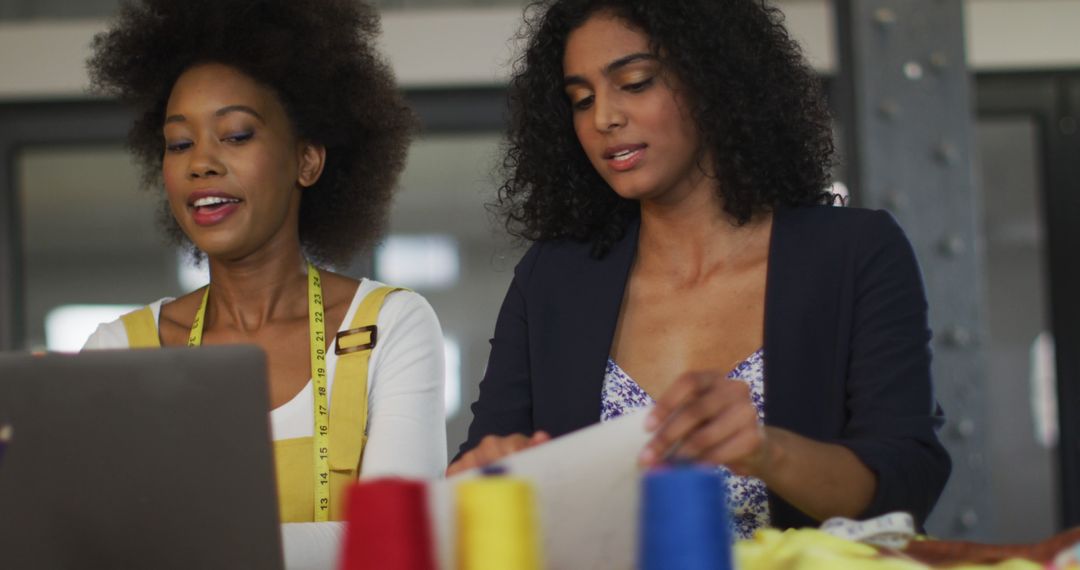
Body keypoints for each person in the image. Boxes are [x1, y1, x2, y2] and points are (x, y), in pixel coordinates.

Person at [449, 0, 951, 538]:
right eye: (581, 99)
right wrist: (485, 473)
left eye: (636, 82)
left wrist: (765, 450)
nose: (604, 118)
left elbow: (904, 481)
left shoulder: (853, 253)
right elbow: (474, 473)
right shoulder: (551, 280)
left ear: (715, 79)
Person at [83, 0, 445, 566]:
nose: (201, 162)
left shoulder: (388, 326)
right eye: (179, 143)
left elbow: (395, 546)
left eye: (235, 134)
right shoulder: (117, 352)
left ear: (306, 161)